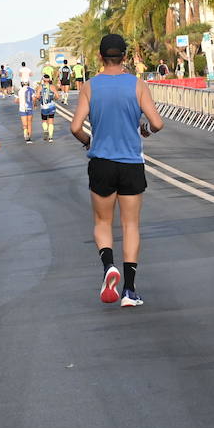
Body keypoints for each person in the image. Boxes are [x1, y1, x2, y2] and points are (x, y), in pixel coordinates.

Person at [70, 33, 166, 307]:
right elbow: (157, 123)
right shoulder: (137, 85)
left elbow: (75, 127)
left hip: (101, 162)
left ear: (100, 57)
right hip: (131, 163)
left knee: (102, 223)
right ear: (124, 57)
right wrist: (144, 130)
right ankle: (130, 290)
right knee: (131, 225)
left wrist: (90, 141)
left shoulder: (90, 86)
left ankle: (108, 265)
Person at [37, 74, 58, 142]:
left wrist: (40, 98)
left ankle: (45, 130)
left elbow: (37, 96)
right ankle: (51, 137)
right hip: (51, 106)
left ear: (43, 79)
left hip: (44, 106)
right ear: (49, 80)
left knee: (44, 120)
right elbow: (57, 96)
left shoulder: (40, 87)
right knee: (51, 121)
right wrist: (54, 98)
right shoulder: (52, 86)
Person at [17, 75, 36, 143]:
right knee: (29, 123)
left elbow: (16, 100)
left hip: (22, 108)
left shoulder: (19, 90)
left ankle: (25, 135)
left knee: (24, 124)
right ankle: (29, 138)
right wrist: (34, 104)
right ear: (28, 83)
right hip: (30, 108)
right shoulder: (32, 90)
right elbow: (34, 99)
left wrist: (21, 101)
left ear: (22, 83)